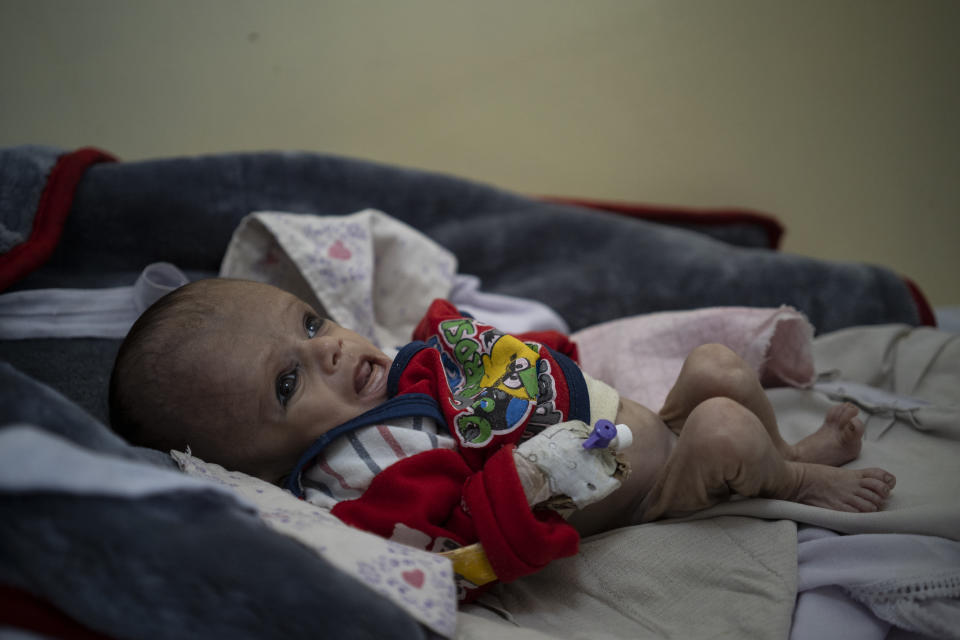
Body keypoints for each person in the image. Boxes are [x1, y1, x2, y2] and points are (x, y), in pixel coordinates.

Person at [109, 278, 896, 591]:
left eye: (311, 322)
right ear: (255, 461)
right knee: (723, 426)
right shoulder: (362, 472)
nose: (330, 348)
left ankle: (781, 451)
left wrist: (525, 356)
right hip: (647, 489)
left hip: (641, 418)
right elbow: (452, 548)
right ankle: (792, 482)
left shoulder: (405, 368)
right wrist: (527, 480)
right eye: (288, 383)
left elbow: (514, 376)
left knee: (720, 367)